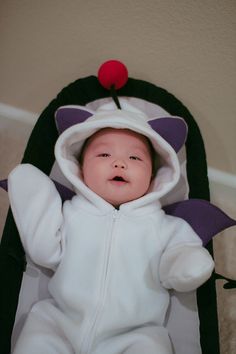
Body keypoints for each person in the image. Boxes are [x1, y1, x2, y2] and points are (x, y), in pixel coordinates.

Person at [8, 107, 214, 354]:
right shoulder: (70, 214)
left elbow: (180, 254)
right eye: (104, 154)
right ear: (80, 170)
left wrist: (187, 263)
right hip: (59, 320)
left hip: (136, 332)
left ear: (154, 176)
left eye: (135, 158)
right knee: (35, 342)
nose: (119, 163)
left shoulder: (164, 226)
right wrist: (37, 203)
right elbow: (46, 251)